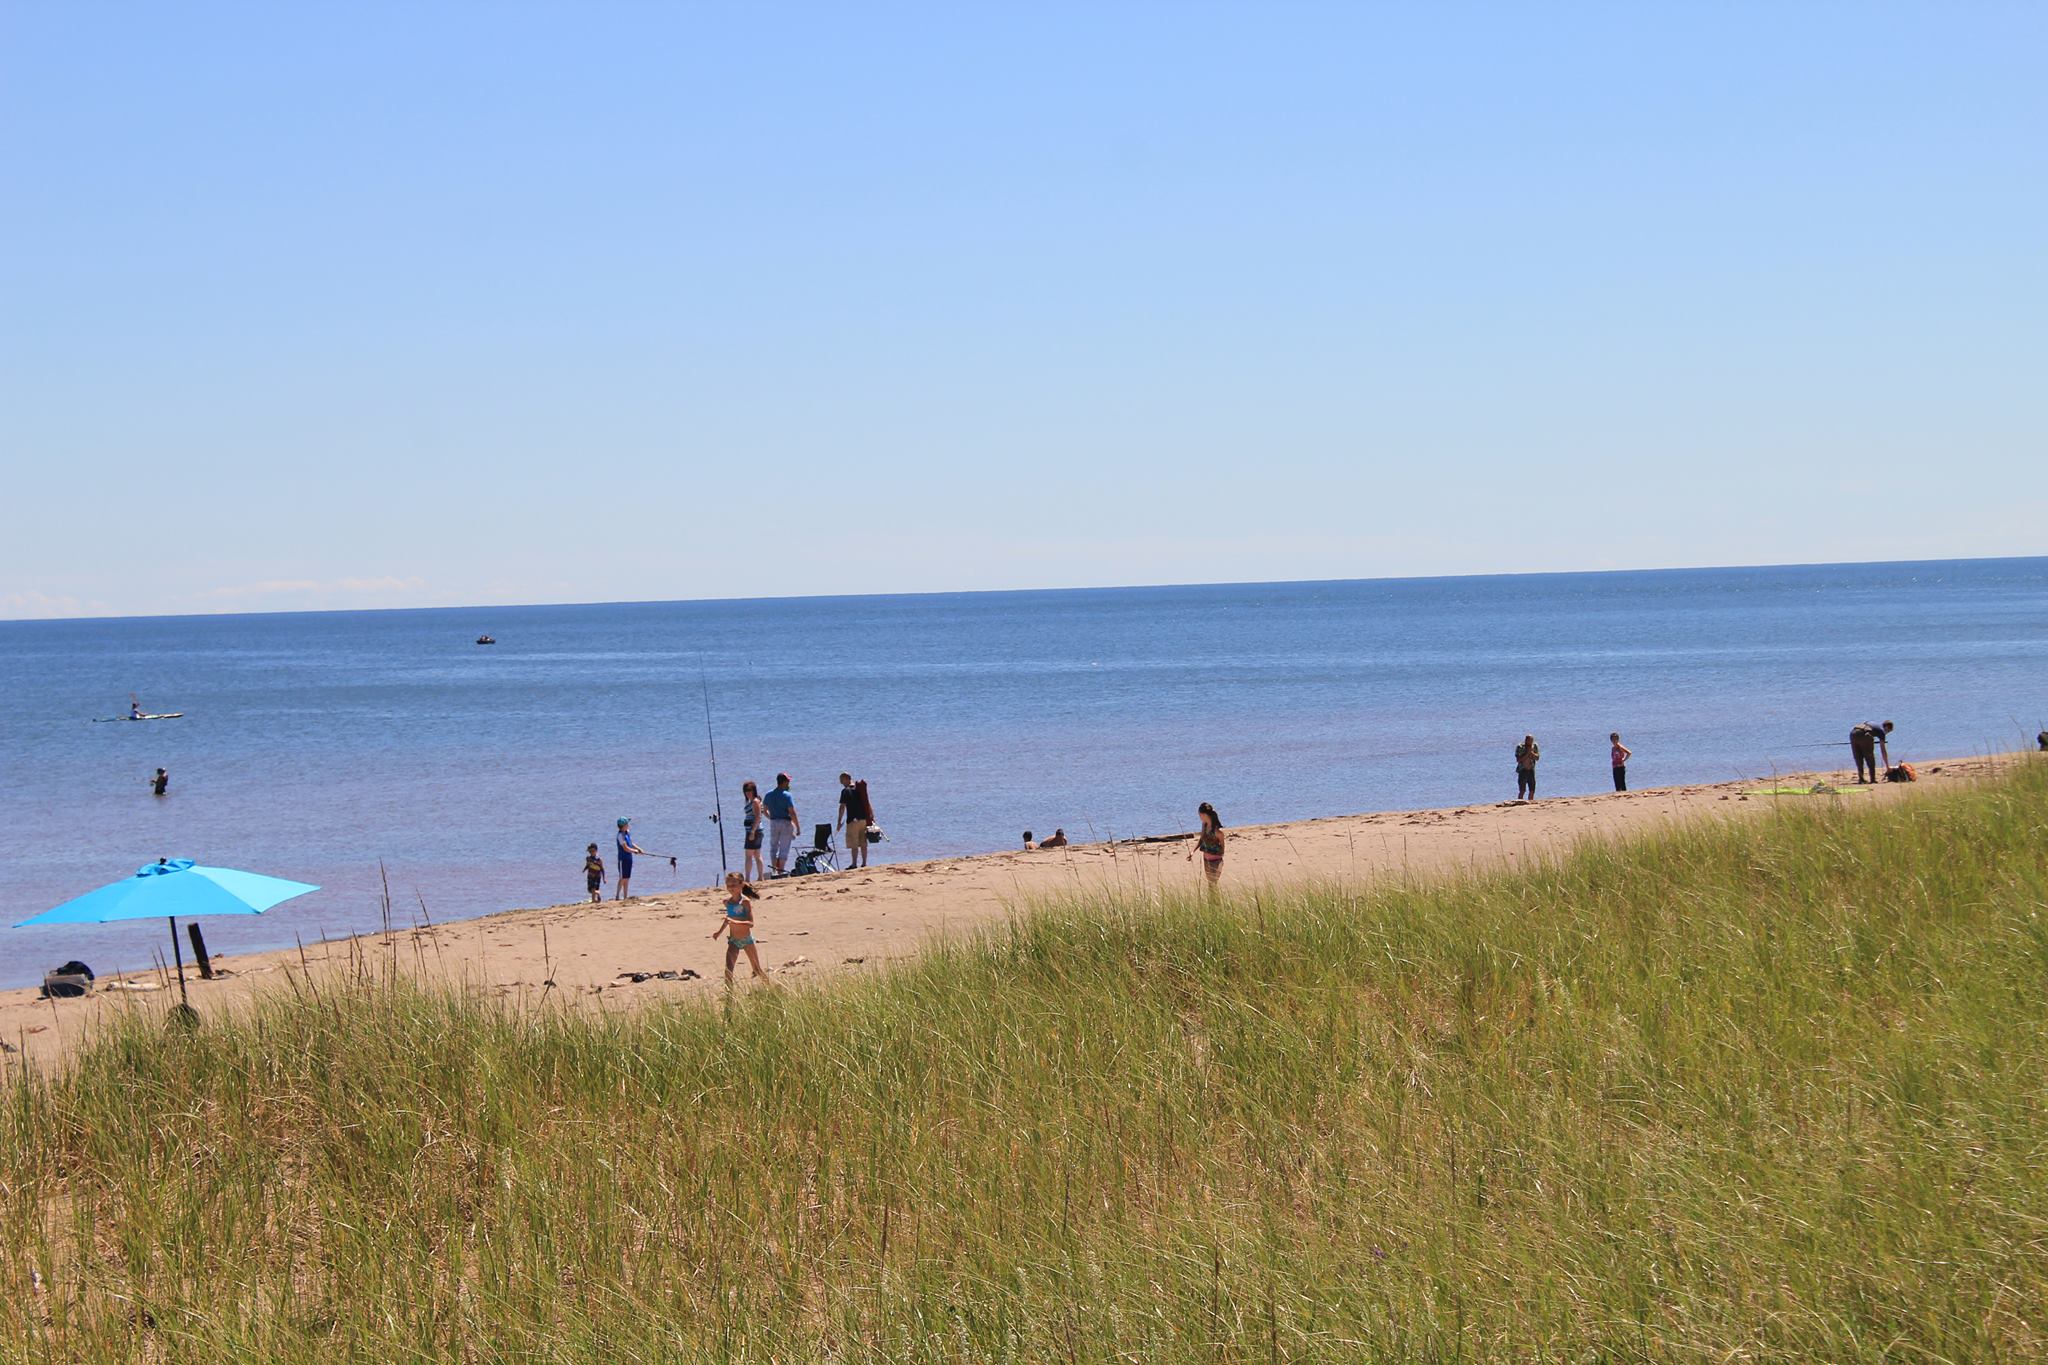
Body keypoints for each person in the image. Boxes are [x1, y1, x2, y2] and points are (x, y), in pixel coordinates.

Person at [711, 871, 768, 985]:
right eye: (728, 886)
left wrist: (735, 921)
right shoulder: (727, 902)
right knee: (728, 971)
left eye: (734, 885)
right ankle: (729, 997)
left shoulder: (745, 901)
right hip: (733, 941)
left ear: (741, 885)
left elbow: (751, 923)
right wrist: (719, 932)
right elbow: (728, 919)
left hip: (747, 940)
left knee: (757, 969)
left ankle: (771, 988)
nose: (731, 888)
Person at [761, 773, 799, 876]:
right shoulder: (787, 795)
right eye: (788, 782)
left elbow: (764, 810)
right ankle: (781, 870)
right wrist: (798, 827)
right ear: (784, 782)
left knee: (773, 847)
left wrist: (770, 818)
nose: (789, 784)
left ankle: (774, 871)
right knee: (784, 848)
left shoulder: (769, 794)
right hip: (786, 823)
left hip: (774, 822)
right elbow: (792, 812)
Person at [836, 772, 875, 869]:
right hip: (864, 819)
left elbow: (842, 807)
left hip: (853, 821)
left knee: (854, 843)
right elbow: (867, 802)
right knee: (863, 842)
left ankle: (854, 864)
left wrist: (839, 822)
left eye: (841, 781)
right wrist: (872, 816)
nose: (841, 783)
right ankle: (864, 863)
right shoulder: (859, 789)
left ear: (846, 779)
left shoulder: (845, 791)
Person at [1187, 802, 1225, 890]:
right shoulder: (1204, 825)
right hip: (1206, 860)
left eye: (1199, 815)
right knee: (1210, 885)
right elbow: (1201, 839)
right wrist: (1193, 852)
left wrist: (1220, 860)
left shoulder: (1216, 830)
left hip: (1216, 860)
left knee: (1213, 884)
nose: (1199, 817)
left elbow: (1222, 848)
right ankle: (1213, 903)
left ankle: (1216, 902)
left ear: (1204, 815)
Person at [1849, 720, 1894, 784]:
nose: (1887, 733)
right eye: (1888, 731)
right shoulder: (1882, 732)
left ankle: (1861, 779)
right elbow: (1883, 750)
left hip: (1853, 733)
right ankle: (1872, 779)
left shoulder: (1872, 723)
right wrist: (1887, 766)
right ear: (1886, 727)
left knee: (1858, 757)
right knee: (1870, 758)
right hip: (1865, 735)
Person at [740, 780, 767, 884]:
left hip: (754, 831)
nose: (747, 792)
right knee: (757, 854)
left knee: (749, 855)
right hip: (757, 830)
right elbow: (763, 812)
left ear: (754, 790)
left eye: (749, 790)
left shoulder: (755, 801)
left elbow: (758, 817)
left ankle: (748, 878)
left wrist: (752, 831)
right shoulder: (755, 801)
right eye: (746, 791)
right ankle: (760, 877)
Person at [615, 817, 645, 900]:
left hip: (629, 858)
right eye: (627, 824)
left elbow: (631, 843)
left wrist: (639, 849)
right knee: (622, 878)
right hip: (622, 859)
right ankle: (617, 896)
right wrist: (634, 851)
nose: (628, 825)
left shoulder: (627, 833)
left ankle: (625, 896)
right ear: (623, 826)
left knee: (627, 878)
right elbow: (625, 848)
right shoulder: (620, 835)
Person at [1515, 735, 1540, 800]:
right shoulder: (1520, 747)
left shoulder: (1534, 746)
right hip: (1522, 770)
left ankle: (1530, 802)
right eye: (1528, 741)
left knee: (1532, 789)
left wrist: (1531, 753)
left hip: (1531, 769)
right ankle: (1520, 802)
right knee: (1522, 790)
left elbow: (1537, 758)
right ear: (1526, 740)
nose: (1530, 743)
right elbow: (1518, 760)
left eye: (1531, 741)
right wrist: (1527, 754)